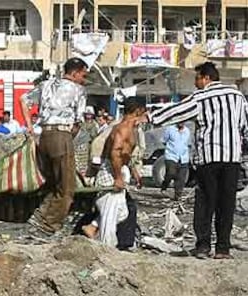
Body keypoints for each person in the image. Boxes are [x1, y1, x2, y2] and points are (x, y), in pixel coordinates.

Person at [139, 62, 248, 260]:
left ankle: (203, 246)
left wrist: (150, 117)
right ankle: (223, 249)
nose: (196, 83)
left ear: (206, 78)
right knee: (227, 204)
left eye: (197, 78)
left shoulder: (201, 97)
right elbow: (246, 126)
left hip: (209, 158)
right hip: (232, 158)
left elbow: (177, 111)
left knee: (205, 202)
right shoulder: (238, 96)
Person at [20, 57, 88, 235]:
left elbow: (23, 100)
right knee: (67, 187)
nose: (84, 79)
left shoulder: (46, 85)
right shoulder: (79, 90)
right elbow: (78, 122)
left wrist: (29, 127)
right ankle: (47, 224)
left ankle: (40, 215)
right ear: (74, 73)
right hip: (61, 135)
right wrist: (68, 139)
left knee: (52, 182)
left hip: (44, 136)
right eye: (83, 75)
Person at [82, 99, 146, 246]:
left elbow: (125, 154)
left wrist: (133, 170)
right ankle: (106, 247)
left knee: (122, 212)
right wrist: (117, 177)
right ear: (138, 111)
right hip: (110, 172)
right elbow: (115, 153)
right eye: (144, 113)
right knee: (110, 215)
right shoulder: (123, 129)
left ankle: (92, 227)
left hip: (119, 170)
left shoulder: (131, 129)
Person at [161, 123, 191, 200]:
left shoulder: (187, 131)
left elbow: (188, 143)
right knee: (171, 172)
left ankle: (177, 196)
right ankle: (164, 185)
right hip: (171, 156)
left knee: (181, 178)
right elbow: (164, 140)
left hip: (183, 157)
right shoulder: (170, 129)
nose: (181, 123)